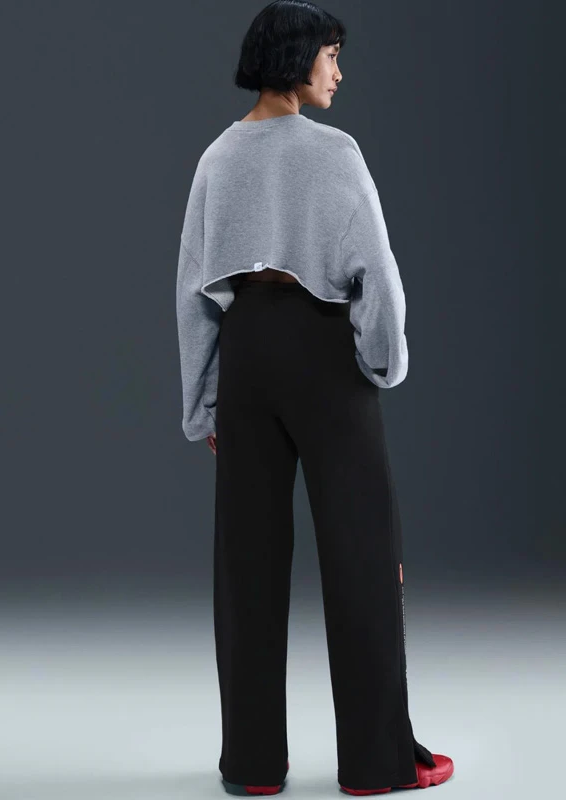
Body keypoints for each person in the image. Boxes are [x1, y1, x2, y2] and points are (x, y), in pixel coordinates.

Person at [175, 1, 455, 795]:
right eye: (332, 54)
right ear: (298, 57)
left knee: (247, 565)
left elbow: (193, 292)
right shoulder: (335, 153)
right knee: (362, 554)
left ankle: (252, 766)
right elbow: (379, 275)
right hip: (324, 355)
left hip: (247, 354)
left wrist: (202, 404)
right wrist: (381, 363)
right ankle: (374, 764)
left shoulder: (216, 158)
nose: (339, 71)